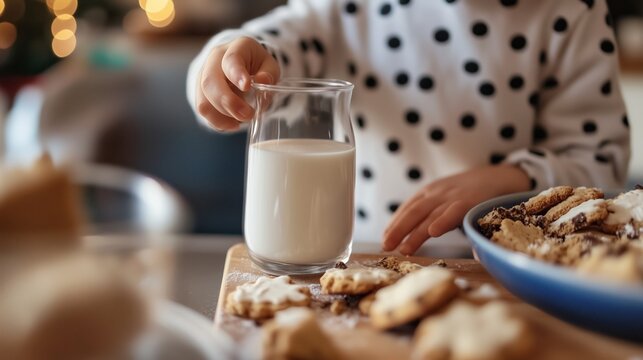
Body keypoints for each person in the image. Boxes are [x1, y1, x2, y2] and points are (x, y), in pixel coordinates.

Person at [187, 0, 630, 255]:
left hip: (515, 270)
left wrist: (510, 182)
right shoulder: (347, 8)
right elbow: (277, 41)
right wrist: (228, 65)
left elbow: (600, 162)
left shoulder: (571, 11)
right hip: (357, 257)